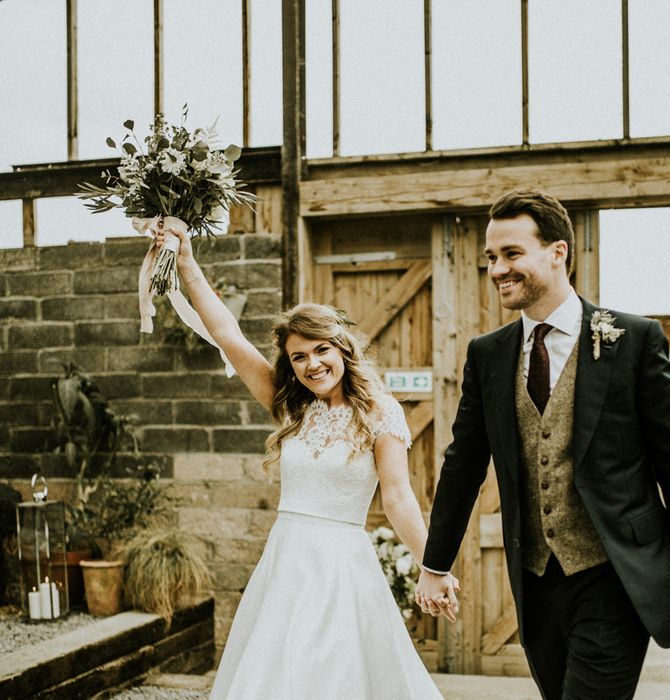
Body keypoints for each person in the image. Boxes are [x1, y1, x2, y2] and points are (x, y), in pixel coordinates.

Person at [414, 190, 670, 699]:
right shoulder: (488, 355)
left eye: (512, 254)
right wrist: (435, 565)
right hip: (535, 583)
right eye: (491, 257)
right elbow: (463, 464)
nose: (497, 269)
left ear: (557, 253)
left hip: (615, 577)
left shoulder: (633, 340)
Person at [153, 225, 452, 699]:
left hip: (341, 568)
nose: (312, 365)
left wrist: (432, 567)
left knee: (334, 674)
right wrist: (187, 261)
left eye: (320, 350)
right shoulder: (292, 407)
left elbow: (397, 496)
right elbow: (227, 334)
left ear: (342, 349)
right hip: (286, 563)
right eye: (298, 357)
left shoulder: (380, 412)